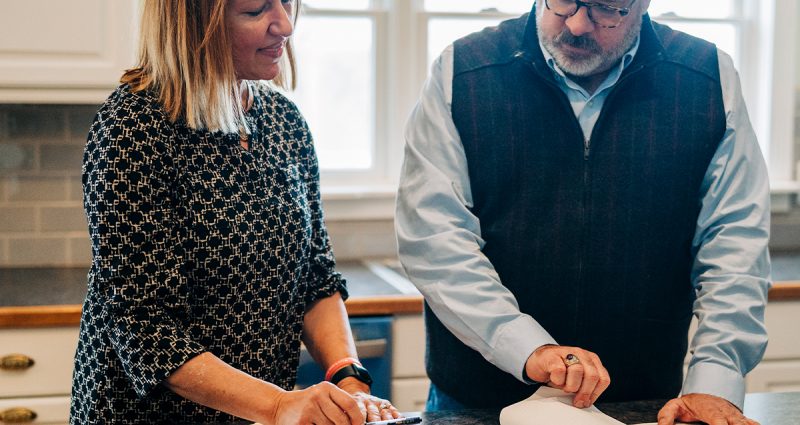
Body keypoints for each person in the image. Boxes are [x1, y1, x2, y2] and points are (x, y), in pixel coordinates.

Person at [396, 1, 770, 424]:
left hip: (643, 403)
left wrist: (714, 381)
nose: (575, 24)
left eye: (604, 9)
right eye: (563, 1)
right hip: (475, 401)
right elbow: (435, 241)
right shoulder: (462, 71)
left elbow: (735, 244)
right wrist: (529, 348)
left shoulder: (706, 78)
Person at [70, 0, 399, 423]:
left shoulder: (284, 122)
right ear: (194, 25)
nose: (284, 24)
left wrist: (349, 382)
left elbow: (315, 277)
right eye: (256, 10)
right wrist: (279, 404)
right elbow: (142, 323)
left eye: (286, 3)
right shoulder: (133, 128)